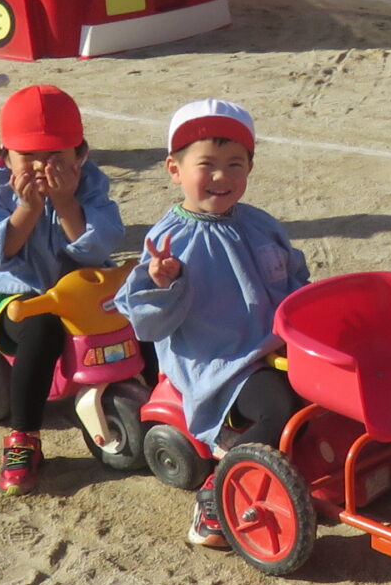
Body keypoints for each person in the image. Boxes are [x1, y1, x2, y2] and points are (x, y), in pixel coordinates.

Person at [118, 100, 309, 548]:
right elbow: (146, 324)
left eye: (234, 164)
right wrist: (160, 281)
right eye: (207, 164)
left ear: (250, 167)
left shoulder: (261, 224)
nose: (221, 177)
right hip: (221, 361)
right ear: (174, 169)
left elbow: (296, 279)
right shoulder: (170, 242)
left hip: (279, 345)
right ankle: (217, 491)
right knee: (277, 408)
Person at [0, 85, 123, 495]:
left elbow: (101, 245)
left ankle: (159, 391)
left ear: (79, 154)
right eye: (27, 156)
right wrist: (28, 208)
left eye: (56, 157)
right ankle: (23, 437)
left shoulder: (89, 183)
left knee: (136, 305)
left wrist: (67, 202)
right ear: (5, 155)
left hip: (77, 288)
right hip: (15, 297)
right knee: (44, 326)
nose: (41, 167)